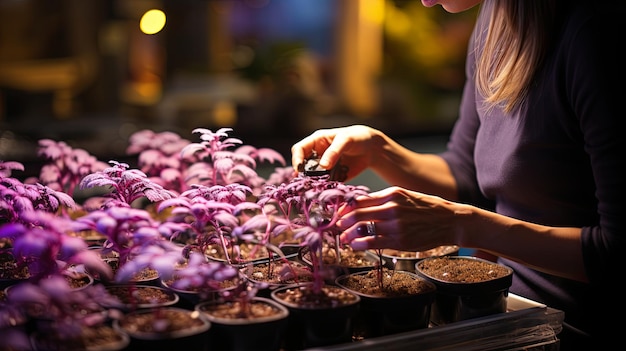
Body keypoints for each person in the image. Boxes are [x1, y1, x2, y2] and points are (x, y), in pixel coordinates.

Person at [291, 0, 626, 349]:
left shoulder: (594, 32)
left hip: (566, 328)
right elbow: (465, 174)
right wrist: (380, 151)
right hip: (505, 312)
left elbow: (613, 252)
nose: (425, 2)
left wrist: (462, 224)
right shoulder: (495, 22)